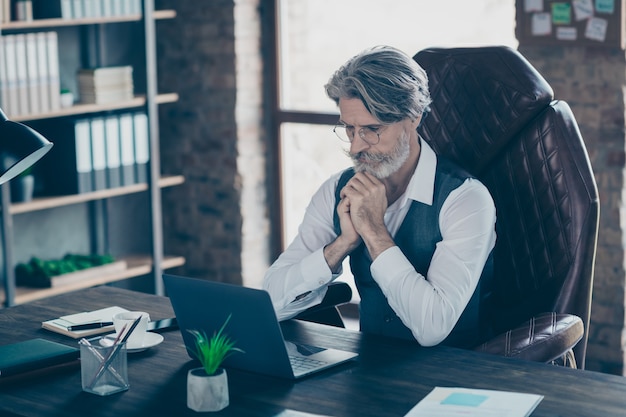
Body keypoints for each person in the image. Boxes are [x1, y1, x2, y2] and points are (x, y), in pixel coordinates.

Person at [263, 45, 496, 348]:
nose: (357, 146)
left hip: (450, 376)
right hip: (367, 370)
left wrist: (374, 232)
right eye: (349, 129)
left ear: (413, 118)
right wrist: (341, 246)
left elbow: (432, 329)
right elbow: (271, 301)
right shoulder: (336, 190)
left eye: (372, 129)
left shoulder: (466, 200)